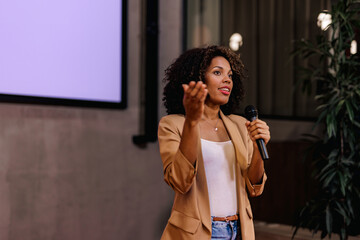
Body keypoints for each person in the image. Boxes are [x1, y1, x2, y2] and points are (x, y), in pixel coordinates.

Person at [158, 45, 270, 240]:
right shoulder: (173, 124)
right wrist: (192, 121)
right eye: (217, 72)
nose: (227, 79)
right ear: (198, 78)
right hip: (199, 233)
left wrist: (258, 147)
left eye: (230, 75)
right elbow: (180, 181)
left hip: (239, 230)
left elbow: (254, 187)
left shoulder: (239, 124)